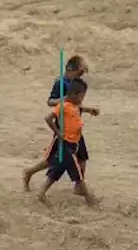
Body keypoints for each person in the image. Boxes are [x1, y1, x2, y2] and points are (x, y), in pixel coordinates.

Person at [21, 55, 99, 190]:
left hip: (75, 127)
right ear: (70, 70)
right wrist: (63, 99)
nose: (81, 76)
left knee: (82, 157)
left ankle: (79, 186)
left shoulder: (75, 82)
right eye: (79, 72)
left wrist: (87, 110)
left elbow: (74, 105)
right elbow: (50, 102)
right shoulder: (60, 83)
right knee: (53, 160)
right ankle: (30, 172)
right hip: (63, 127)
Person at [34, 80, 98, 207]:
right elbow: (48, 118)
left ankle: (41, 193)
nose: (82, 99)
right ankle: (89, 199)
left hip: (73, 144)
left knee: (57, 170)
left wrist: (90, 110)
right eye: (81, 96)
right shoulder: (63, 106)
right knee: (77, 173)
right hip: (66, 145)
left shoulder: (74, 106)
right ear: (74, 95)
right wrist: (58, 133)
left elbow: (79, 109)